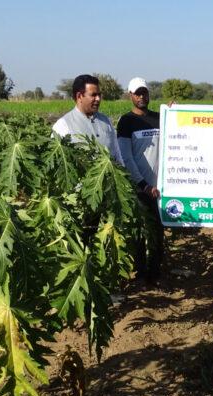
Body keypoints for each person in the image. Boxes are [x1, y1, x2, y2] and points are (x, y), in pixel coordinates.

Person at [116, 77, 164, 284]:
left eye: (144, 92)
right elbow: (126, 157)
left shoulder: (160, 118)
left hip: (160, 189)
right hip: (139, 188)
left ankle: (155, 273)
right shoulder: (126, 122)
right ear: (130, 95)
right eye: (137, 93)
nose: (142, 96)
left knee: (157, 233)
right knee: (139, 233)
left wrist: (175, 114)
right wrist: (143, 184)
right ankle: (141, 273)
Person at [52, 74, 123, 165]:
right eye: (93, 95)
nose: (98, 99)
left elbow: (117, 153)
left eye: (99, 95)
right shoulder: (63, 125)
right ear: (79, 96)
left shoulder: (106, 121)